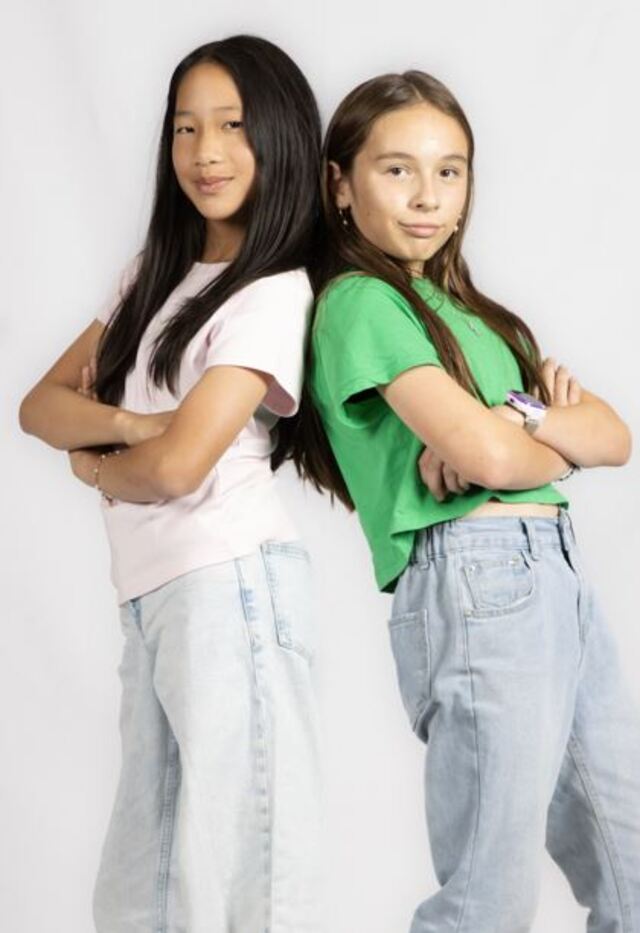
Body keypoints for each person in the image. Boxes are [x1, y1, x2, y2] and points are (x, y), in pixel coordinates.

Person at [294, 69, 639, 931]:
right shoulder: (359, 302)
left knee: (630, 865)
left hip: (556, 578)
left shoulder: (480, 317)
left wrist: (512, 428)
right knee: (487, 895)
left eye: (449, 171)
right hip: (478, 579)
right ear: (341, 183)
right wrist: (522, 436)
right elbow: (497, 452)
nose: (428, 196)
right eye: (397, 169)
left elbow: (614, 437)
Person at [19, 34, 323, 933]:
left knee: (249, 877)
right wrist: (130, 427)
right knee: (140, 885)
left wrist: (97, 461)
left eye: (231, 126)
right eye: (186, 128)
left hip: (231, 586)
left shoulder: (271, 291)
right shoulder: (152, 276)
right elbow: (39, 406)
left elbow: (180, 467)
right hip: (153, 599)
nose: (205, 152)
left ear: (278, 136)